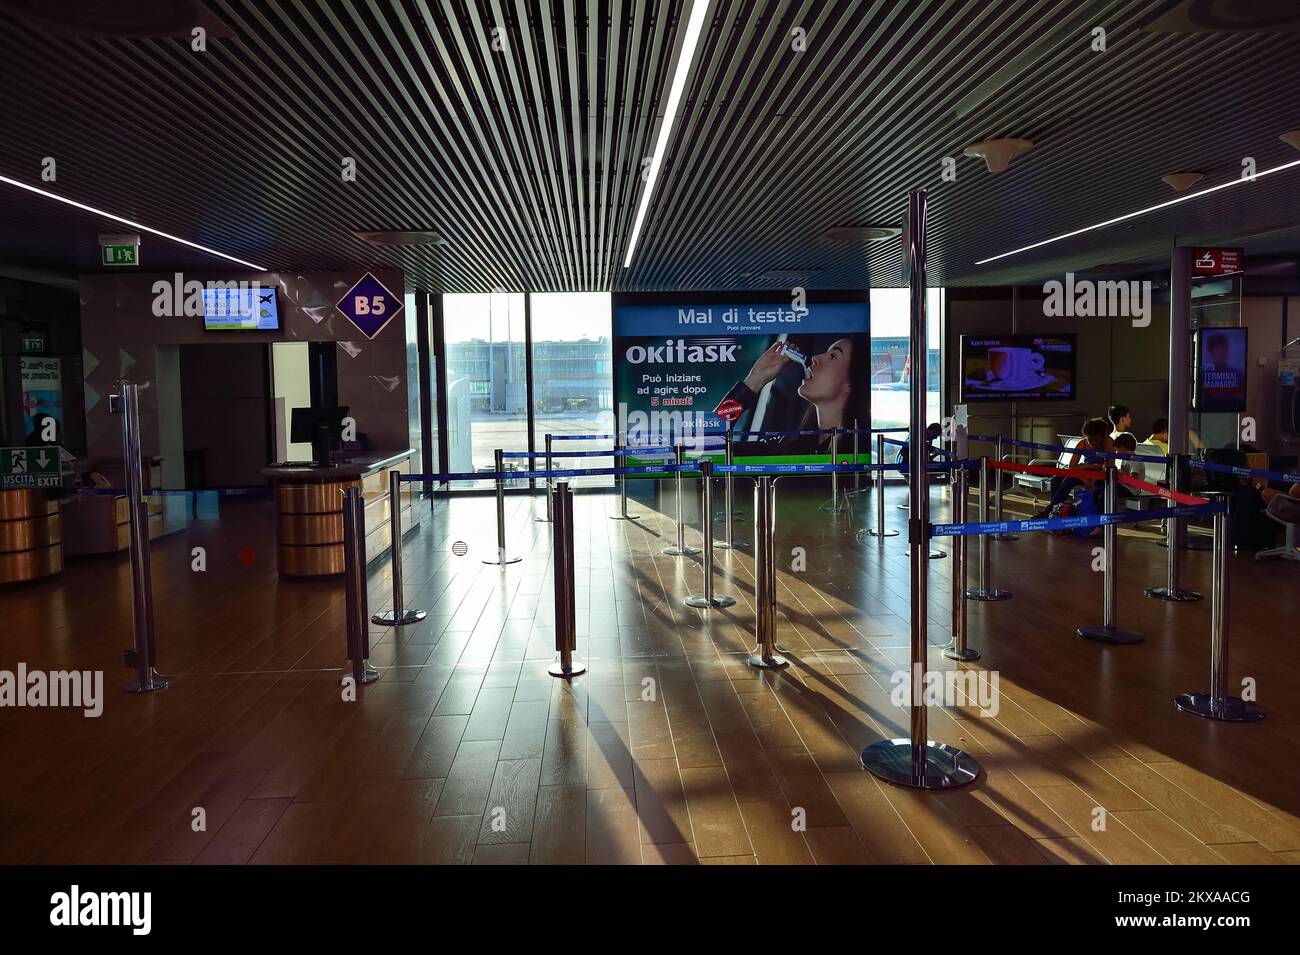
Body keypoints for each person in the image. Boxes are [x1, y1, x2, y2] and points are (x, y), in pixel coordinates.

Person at [722, 337, 871, 454]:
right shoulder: (785, 448)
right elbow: (704, 448)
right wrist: (755, 379)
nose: (815, 358)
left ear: (853, 383)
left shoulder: (864, 452)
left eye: (832, 356)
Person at [1036, 417, 1115, 517]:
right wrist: (1086, 475)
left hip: (1099, 475)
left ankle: (1049, 512)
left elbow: (1109, 466)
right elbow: (1072, 466)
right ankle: (1054, 511)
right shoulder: (1082, 444)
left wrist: (1085, 468)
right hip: (1082, 473)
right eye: (1090, 439)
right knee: (1055, 480)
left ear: (1103, 436)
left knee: (1068, 480)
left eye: (1096, 440)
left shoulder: (1108, 442)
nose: (1093, 442)